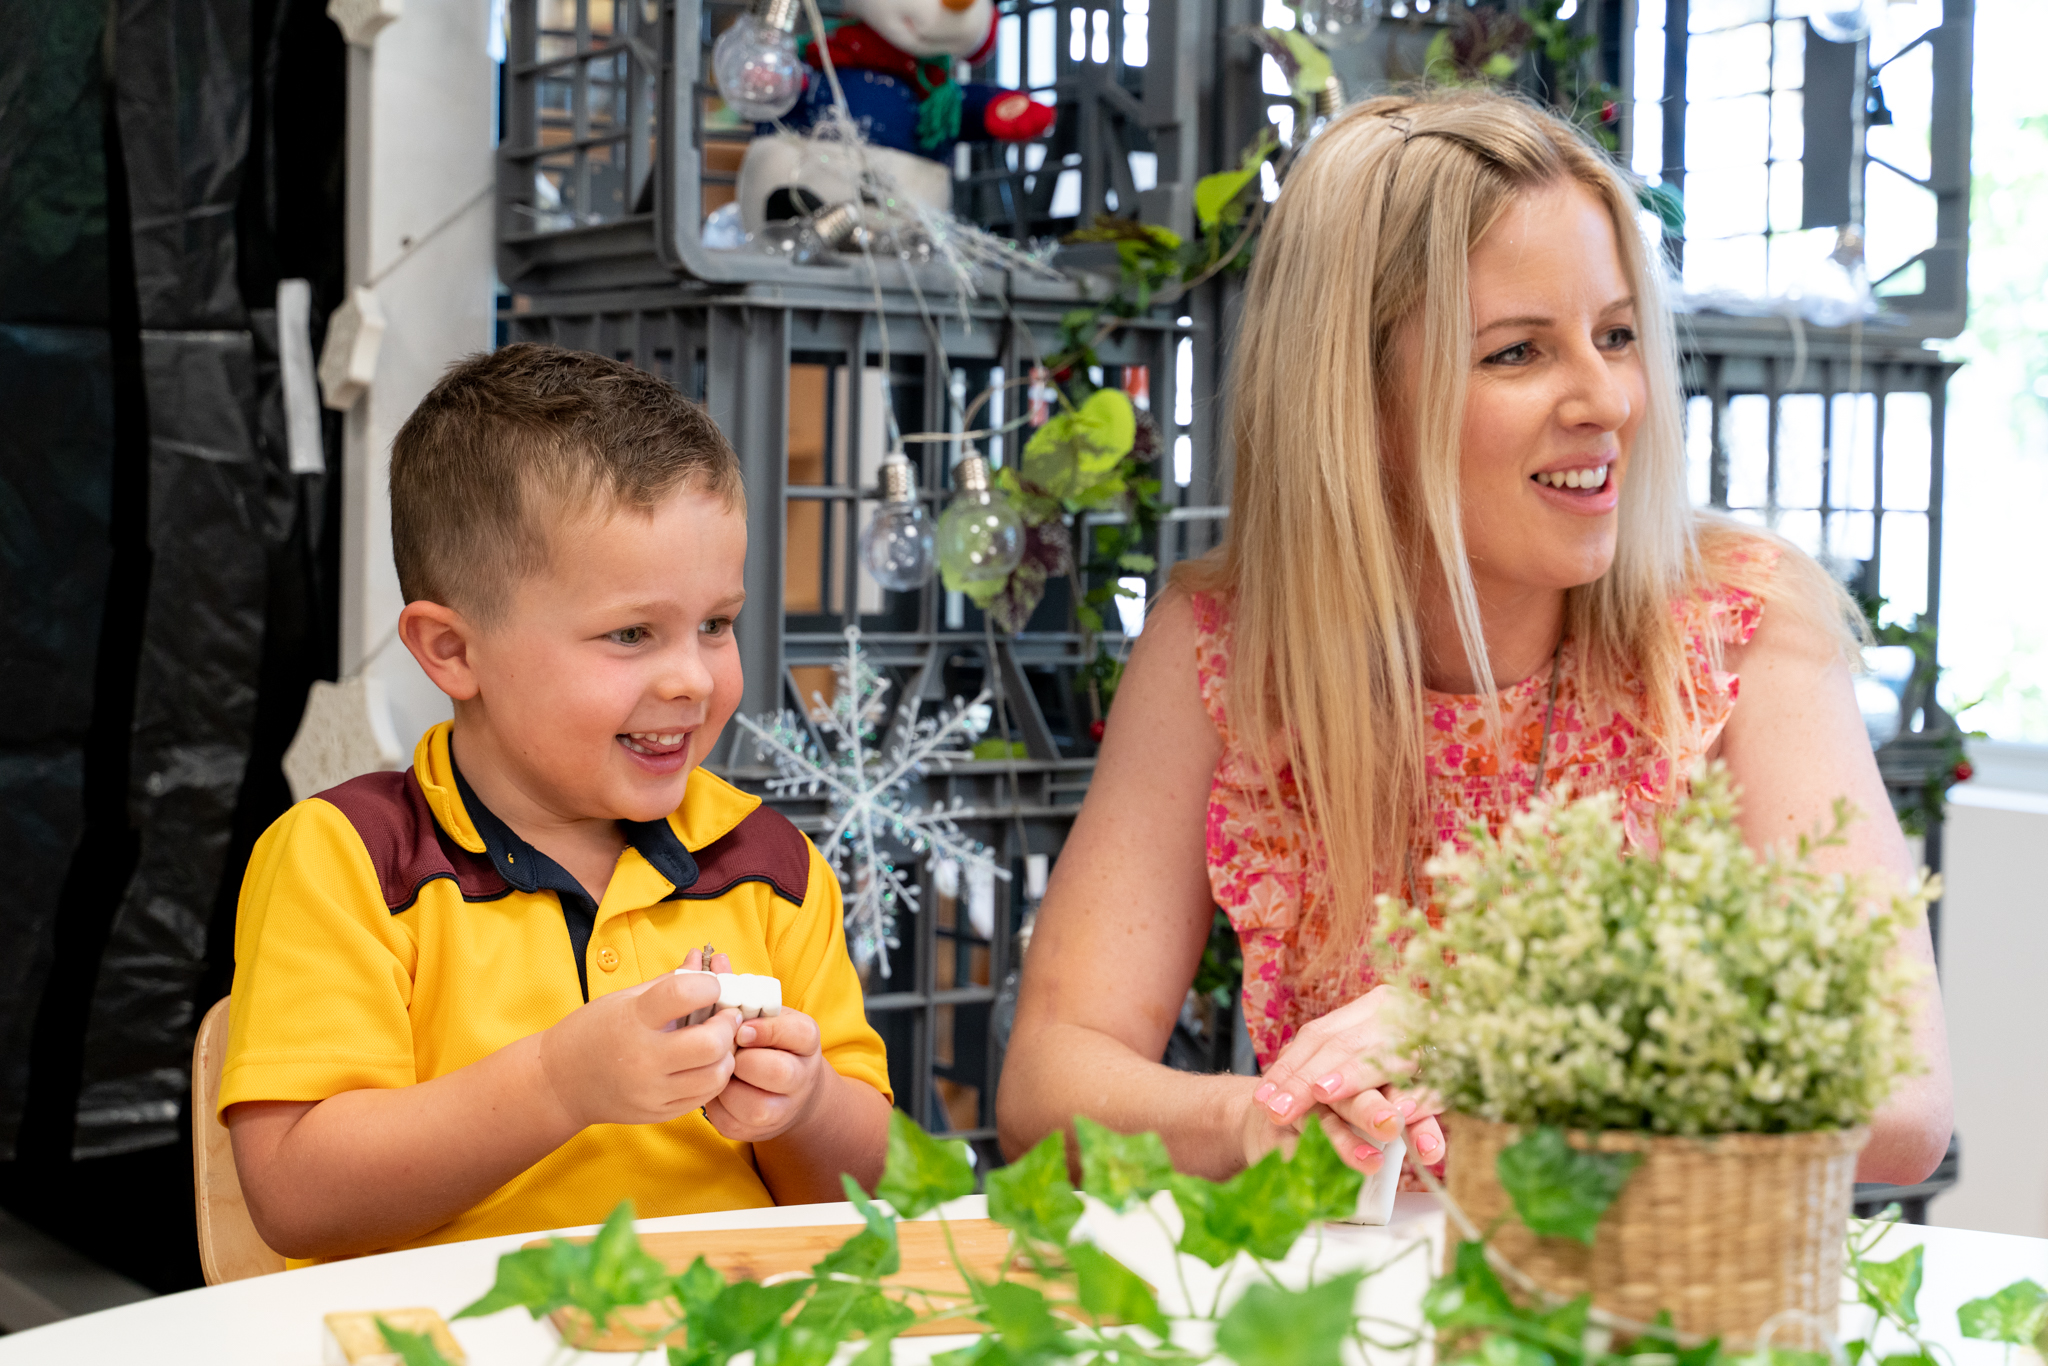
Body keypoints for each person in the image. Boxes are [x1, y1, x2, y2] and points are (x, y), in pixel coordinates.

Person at [995, 91, 1952, 1187]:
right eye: (1516, 353)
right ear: (1356, 400)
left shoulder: (1738, 626)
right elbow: (1045, 1087)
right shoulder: (1223, 645)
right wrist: (1261, 1123)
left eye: (1616, 336)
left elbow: (1898, 1098)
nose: (1606, 401)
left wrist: (1491, 1035)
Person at [220, 345, 892, 1260]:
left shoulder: (769, 867)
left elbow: (867, 1195)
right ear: (453, 651)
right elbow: (297, 1198)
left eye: (716, 625)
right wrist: (557, 1082)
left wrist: (803, 1107)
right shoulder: (347, 859)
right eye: (630, 633)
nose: (692, 679)